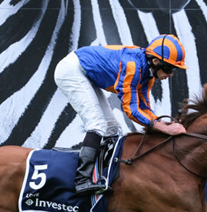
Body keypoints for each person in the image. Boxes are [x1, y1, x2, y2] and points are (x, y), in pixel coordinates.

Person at [54, 34, 188, 193]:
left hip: (85, 72)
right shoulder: (133, 67)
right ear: (155, 61)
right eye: (169, 68)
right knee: (97, 124)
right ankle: (82, 179)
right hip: (72, 70)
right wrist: (164, 129)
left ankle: (102, 173)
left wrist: (160, 123)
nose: (171, 74)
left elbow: (144, 108)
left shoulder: (148, 74)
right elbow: (130, 110)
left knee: (112, 127)